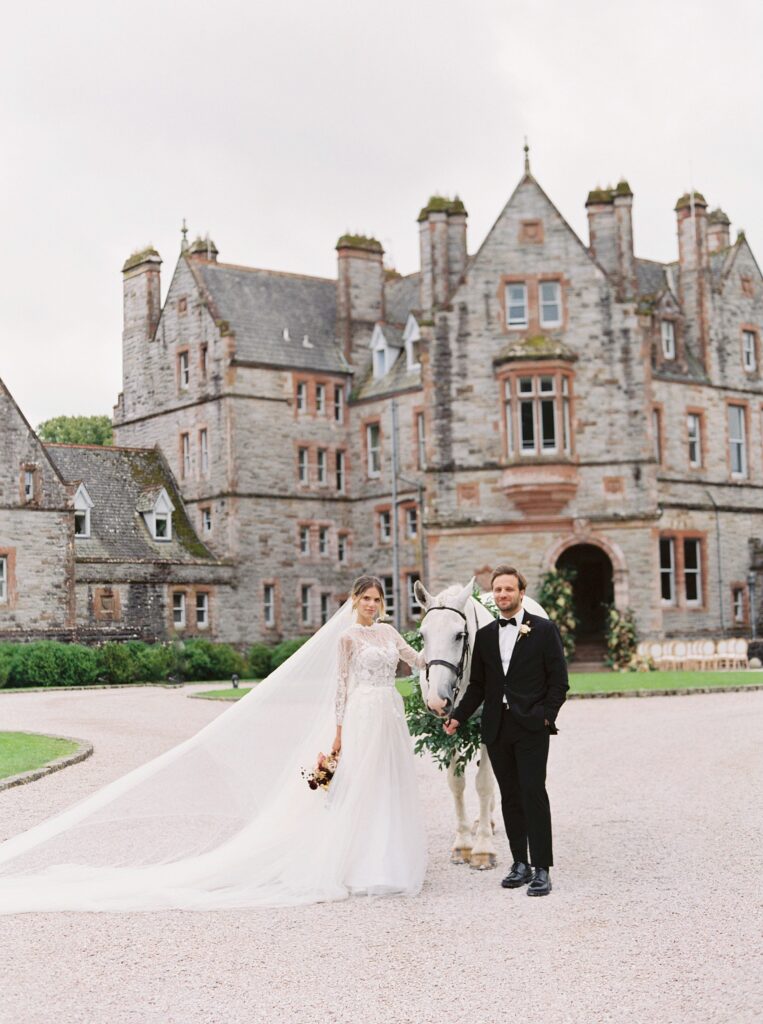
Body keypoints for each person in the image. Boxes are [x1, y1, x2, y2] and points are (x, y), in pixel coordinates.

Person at [0, 575, 426, 912]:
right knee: (358, 786)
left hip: (389, 715)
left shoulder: (390, 635)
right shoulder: (348, 638)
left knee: (387, 783)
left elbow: (419, 660)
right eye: (365, 598)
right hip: (360, 716)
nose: (371, 604)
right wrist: (337, 733)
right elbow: (340, 688)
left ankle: (387, 859)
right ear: (354, 601)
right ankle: (356, 863)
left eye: (377, 599)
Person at [444, 565, 568, 896]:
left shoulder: (543, 630)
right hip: (497, 727)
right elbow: (478, 686)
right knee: (510, 796)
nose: (502, 595)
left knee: (533, 794)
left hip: (531, 726)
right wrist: (458, 716)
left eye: (508, 589)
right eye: (497, 589)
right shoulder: (485, 636)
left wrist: (546, 715)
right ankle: (520, 864)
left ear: (521, 593)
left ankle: (542, 868)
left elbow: (559, 681)